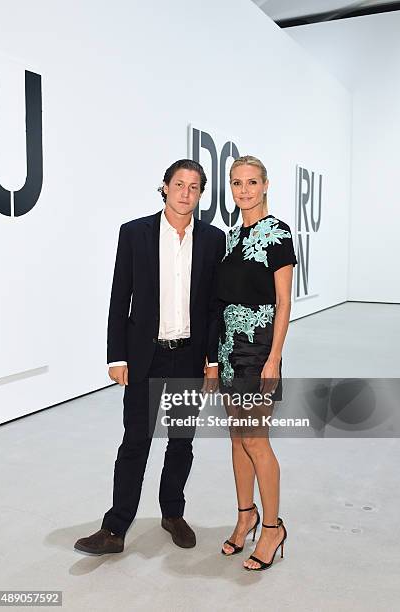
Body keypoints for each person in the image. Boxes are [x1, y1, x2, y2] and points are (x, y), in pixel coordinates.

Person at [74, 159, 225, 555]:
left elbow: (213, 305)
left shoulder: (213, 239)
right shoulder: (134, 233)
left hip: (190, 357)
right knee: (135, 441)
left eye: (194, 187)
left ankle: (172, 513)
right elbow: (119, 296)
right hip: (145, 356)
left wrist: (212, 360)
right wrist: (117, 355)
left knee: (181, 442)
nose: (185, 193)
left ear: (200, 193)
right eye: (179, 184)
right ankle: (115, 528)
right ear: (164, 186)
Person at [216, 155, 297, 571]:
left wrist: (274, 359)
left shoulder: (278, 233)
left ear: (266, 185)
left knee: (256, 441)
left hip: (260, 348)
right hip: (230, 349)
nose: (243, 190)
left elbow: (284, 302)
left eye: (251, 182)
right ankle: (245, 514)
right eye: (236, 183)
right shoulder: (231, 236)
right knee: (236, 439)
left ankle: (271, 528)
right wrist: (215, 359)